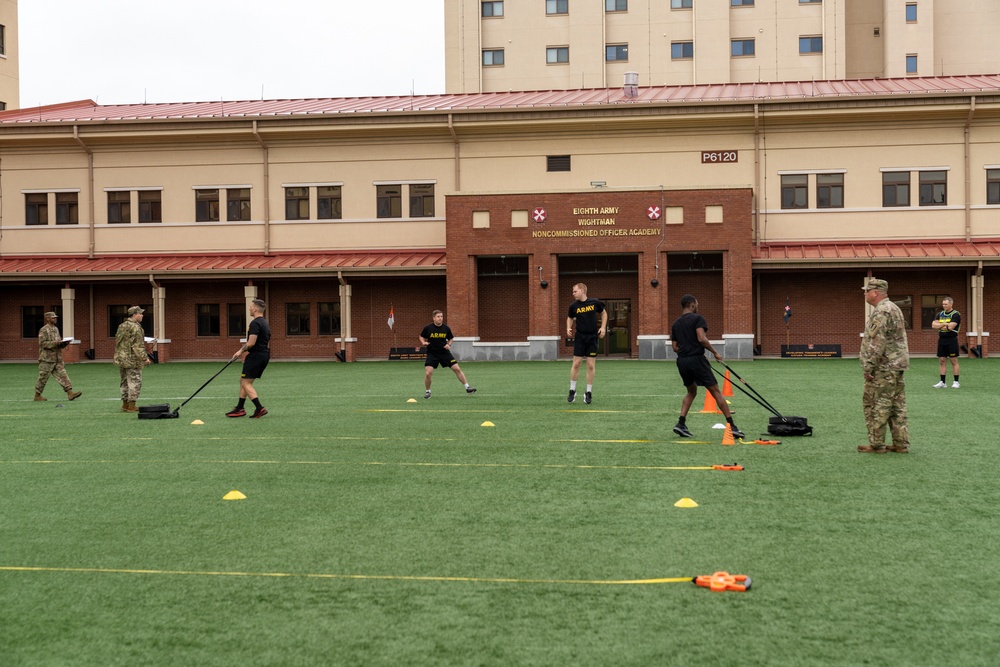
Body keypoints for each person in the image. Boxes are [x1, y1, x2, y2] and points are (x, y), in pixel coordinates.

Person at [669, 295, 745, 440]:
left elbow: (674, 347)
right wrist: (715, 353)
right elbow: (702, 338)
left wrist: (687, 351)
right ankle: (732, 426)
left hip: (682, 361)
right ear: (692, 305)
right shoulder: (698, 319)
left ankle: (681, 423)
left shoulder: (675, 324)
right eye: (696, 304)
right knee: (716, 391)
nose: (697, 306)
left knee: (691, 391)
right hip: (697, 360)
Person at [859, 278, 910, 453]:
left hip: (883, 367)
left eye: (866, 291)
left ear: (875, 293)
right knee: (897, 405)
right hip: (896, 366)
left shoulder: (881, 311)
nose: (864, 294)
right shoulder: (894, 308)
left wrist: (868, 366)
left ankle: (877, 444)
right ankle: (900, 443)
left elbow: (877, 342)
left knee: (876, 403)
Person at [227, 298, 271, 418]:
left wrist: (240, 351)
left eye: (251, 306)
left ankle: (259, 408)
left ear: (256, 309)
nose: (249, 308)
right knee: (244, 381)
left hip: (256, 356)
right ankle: (240, 408)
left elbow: (251, 343)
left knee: (246, 383)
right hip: (263, 355)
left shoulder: (255, 323)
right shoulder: (264, 322)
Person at [419, 310, 476, 399]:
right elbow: (421, 336)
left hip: (444, 353)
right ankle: (428, 392)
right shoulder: (428, 328)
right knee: (428, 373)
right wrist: (423, 342)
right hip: (432, 353)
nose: (440, 318)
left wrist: (448, 345)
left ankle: (468, 388)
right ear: (433, 318)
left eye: (441, 316)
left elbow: (451, 338)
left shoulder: (446, 328)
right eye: (438, 317)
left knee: (457, 369)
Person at [566, 283, 607, 404]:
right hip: (580, 337)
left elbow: (604, 313)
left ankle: (588, 392)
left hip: (592, 337)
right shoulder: (573, 306)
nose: (573, 293)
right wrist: (568, 327)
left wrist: (603, 327)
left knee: (590, 365)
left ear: (582, 291)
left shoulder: (594, 303)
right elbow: (569, 317)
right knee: (576, 363)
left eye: (575, 291)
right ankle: (572, 390)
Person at [34, 311, 82, 402]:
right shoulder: (43, 330)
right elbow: (43, 343)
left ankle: (70, 393)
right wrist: (56, 343)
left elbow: (58, 342)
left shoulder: (56, 329)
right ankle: (37, 395)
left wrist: (64, 343)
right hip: (47, 359)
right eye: (53, 317)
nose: (55, 319)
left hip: (57, 358)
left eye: (55, 317)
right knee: (43, 378)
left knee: (63, 375)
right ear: (47, 319)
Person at [114, 306, 151, 412]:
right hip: (132, 359)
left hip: (121, 358)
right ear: (134, 315)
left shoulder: (122, 326)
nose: (142, 315)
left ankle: (125, 404)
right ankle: (132, 405)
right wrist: (145, 358)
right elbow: (137, 346)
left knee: (124, 381)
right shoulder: (136, 327)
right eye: (140, 313)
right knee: (135, 381)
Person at [931, 296, 961, 388]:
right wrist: (944, 324)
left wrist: (940, 325)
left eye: (946, 304)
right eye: (943, 304)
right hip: (942, 340)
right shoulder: (939, 314)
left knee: (953, 361)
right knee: (942, 361)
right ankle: (942, 382)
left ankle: (956, 382)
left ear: (951, 304)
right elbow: (933, 325)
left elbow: (950, 327)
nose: (944, 306)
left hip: (951, 340)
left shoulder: (956, 314)